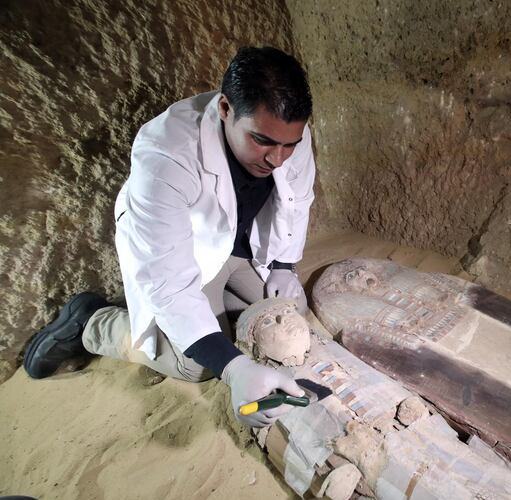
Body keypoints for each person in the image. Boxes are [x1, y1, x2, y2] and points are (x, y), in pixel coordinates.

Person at [23, 46, 314, 428]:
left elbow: (298, 197)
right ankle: (93, 322)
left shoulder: (287, 131)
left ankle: (217, 304)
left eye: (288, 145)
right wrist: (232, 369)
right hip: (186, 253)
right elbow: (170, 283)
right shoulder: (166, 155)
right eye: (262, 141)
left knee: (284, 316)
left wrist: (282, 265)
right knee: (197, 364)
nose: (278, 159)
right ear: (225, 108)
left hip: (237, 243)